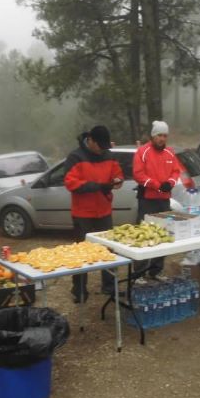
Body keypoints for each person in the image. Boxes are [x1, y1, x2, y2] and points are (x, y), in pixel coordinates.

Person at [64, 125, 124, 302]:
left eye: (106, 146)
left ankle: (109, 286)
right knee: (82, 253)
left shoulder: (108, 155)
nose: (103, 150)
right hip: (83, 214)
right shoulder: (75, 157)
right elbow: (70, 183)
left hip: (104, 211)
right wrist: (97, 186)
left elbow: (118, 174)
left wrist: (116, 181)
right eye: (100, 146)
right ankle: (79, 289)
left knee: (108, 251)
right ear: (90, 140)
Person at [132, 120, 181, 279]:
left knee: (162, 234)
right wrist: (157, 185)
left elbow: (176, 172)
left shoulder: (170, 152)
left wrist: (170, 183)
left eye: (165, 135)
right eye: (159, 135)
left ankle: (156, 270)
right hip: (147, 200)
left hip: (164, 200)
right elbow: (138, 175)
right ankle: (139, 273)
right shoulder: (142, 151)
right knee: (143, 235)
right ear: (153, 136)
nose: (162, 138)